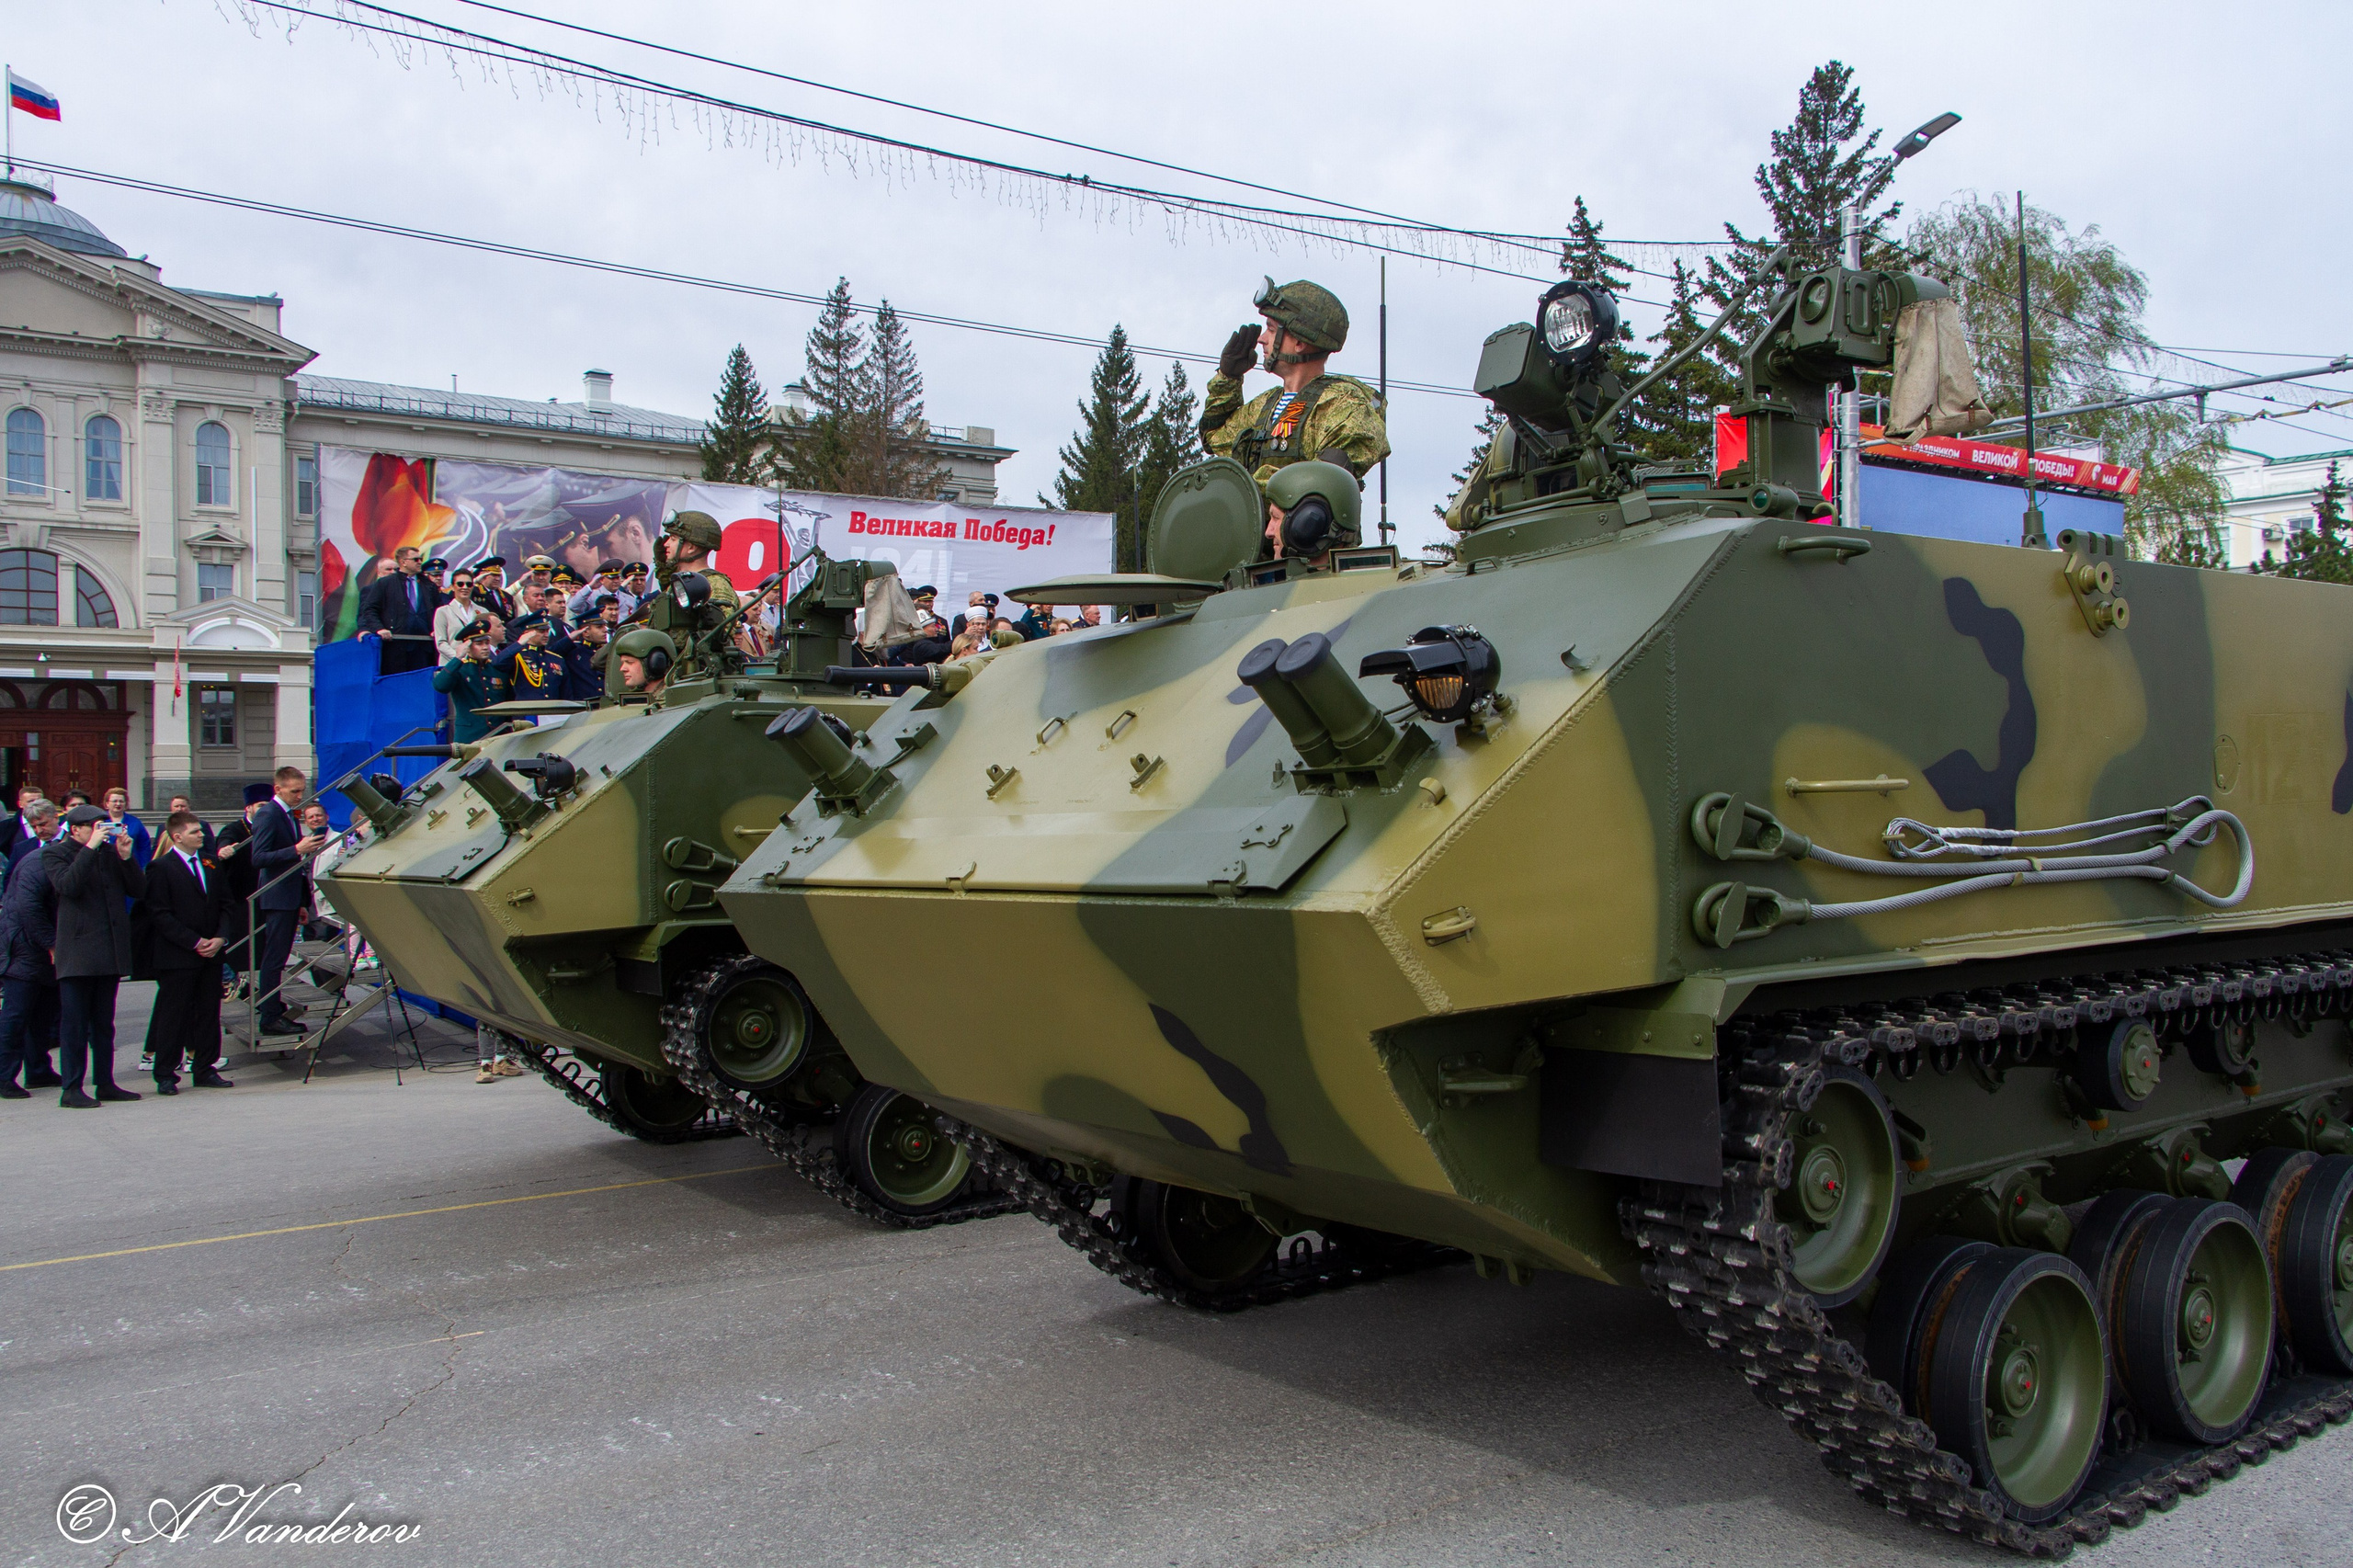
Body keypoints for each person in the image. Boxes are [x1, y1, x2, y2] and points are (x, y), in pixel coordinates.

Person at [1199, 277, 1390, 562]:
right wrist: (1228, 378)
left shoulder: (1344, 405)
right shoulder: (1265, 405)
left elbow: (1317, 487)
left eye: (1272, 330)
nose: (1262, 339)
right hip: (1255, 564)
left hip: (1310, 568)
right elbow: (1214, 438)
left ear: (1299, 342)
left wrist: (1244, 491)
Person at [47, 802, 145, 1107]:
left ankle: (106, 1082)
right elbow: (68, 886)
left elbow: (139, 889)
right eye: (96, 827)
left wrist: (127, 857)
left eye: (107, 826)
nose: (104, 832)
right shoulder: (55, 853)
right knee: (74, 1025)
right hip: (77, 954)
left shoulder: (108, 853)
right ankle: (72, 1087)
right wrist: (89, 848)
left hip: (108, 951)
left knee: (104, 1024)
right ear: (76, 829)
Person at [140, 810, 230, 1095]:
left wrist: (220, 937)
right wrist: (193, 941)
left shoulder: (211, 863)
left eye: (201, 831)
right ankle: (165, 1073)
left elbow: (227, 904)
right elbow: (159, 913)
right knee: (173, 1015)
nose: (202, 835)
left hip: (211, 953)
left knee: (208, 1012)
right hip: (178, 955)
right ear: (178, 837)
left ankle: (204, 1067)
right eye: (195, 832)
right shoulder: (161, 867)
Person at [248, 767, 325, 1040]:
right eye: (294, 791)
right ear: (278, 789)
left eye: (301, 791)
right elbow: (259, 858)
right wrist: (296, 849)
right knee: (275, 957)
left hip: (289, 895)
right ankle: (270, 1016)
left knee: (278, 956)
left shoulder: (287, 814)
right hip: (278, 895)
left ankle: (272, 1006)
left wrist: (302, 901)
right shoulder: (269, 814)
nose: (299, 796)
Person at [0, 796, 63, 1096]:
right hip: (24, 948)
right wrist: (49, 942)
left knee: (43, 1016)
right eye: (34, 825)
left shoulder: (69, 848)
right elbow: (18, 900)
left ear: (57, 818)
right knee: (15, 1016)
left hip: (50, 949)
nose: (39, 830)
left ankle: (39, 1070)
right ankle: (4, 1076)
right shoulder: (25, 852)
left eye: (44, 823)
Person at [212, 782, 270, 994]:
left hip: (266, 898)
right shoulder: (235, 829)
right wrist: (224, 850)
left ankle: (265, 992)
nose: (265, 809)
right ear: (249, 808)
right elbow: (225, 843)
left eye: (268, 805)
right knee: (241, 952)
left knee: (265, 952)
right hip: (241, 900)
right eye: (261, 805)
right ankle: (242, 989)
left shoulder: (272, 826)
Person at [355, 545, 446, 676]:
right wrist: (379, 628)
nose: (420, 562)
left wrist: (436, 629)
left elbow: (440, 610)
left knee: (421, 684)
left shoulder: (428, 585)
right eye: (416, 559)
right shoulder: (386, 583)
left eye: (420, 559)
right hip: (396, 647)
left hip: (423, 646)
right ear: (403, 562)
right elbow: (370, 609)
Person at [433, 623, 514, 744]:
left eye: (487, 643)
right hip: (470, 736)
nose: (485, 647)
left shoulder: (497, 669)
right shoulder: (460, 669)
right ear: (468, 647)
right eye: (479, 644)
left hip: (498, 735)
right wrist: (458, 657)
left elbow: (509, 700)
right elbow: (440, 686)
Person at [657, 511, 738, 608]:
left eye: (673, 539)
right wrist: (663, 566)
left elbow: (722, 621)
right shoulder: (679, 583)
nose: (666, 544)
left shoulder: (716, 586)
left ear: (691, 548)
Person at [494, 613, 569, 702]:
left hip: (551, 713)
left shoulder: (556, 659)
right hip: (527, 713)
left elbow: (566, 694)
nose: (546, 635)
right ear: (528, 633)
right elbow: (497, 663)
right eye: (541, 631)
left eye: (547, 631)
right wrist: (519, 643)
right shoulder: (518, 656)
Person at [433, 568, 487, 661]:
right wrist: (459, 658)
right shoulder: (443, 611)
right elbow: (441, 643)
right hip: (451, 664)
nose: (465, 587)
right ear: (453, 587)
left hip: (476, 665)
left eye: (469, 584)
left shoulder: (483, 611)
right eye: (460, 584)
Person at [610, 628, 676, 700]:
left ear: (655, 663)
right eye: (623, 663)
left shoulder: (672, 698)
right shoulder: (636, 699)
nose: (622, 669)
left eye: (630, 662)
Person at [100, 786, 153, 869]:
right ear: (107, 804)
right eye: (115, 801)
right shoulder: (100, 821)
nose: (118, 804)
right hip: (105, 866)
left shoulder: (135, 822)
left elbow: (144, 846)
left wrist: (144, 867)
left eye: (121, 801)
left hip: (130, 865)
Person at [472, 556, 518, 625]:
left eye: (499, 575)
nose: (498, 579)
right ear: (482, 575)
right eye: (494, 575)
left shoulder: (507, 596)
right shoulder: (474, 592)